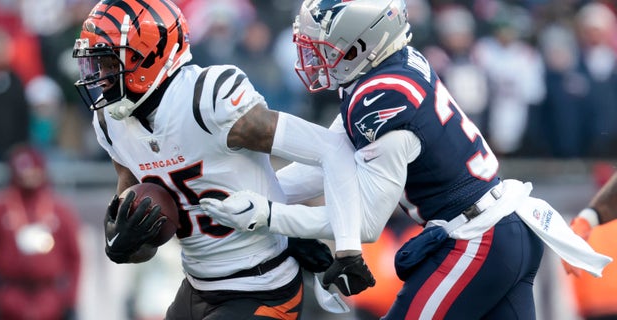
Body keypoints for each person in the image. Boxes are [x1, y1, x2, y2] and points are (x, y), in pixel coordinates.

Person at [200, 0, 612, 319]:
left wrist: (269, 215)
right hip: (503, 229)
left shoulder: (382, 99)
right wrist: (259, 192)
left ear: (359, 46)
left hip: (476, 240)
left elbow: (362, 224)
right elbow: (331, 158)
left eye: (322, 47)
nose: (313, 58)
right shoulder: (388, 67)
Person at [70, 0, 374, 319]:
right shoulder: (111, 122)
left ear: (150, 54)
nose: (101, 77)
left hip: (262, 286)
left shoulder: (207, 99)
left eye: (108, 63)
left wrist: (347, 247)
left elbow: (330, 148)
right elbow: (140, 238)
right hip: (197, 286)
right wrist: (122, 242)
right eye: (97, 65)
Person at [0, 144, 82, 320]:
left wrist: (70, 299)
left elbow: (75, 258)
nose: (29, 176)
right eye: (23, 171)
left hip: (50, 300)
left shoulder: (60, 210)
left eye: (33, 170)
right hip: (8, 299)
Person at [563, 171, 617, 319]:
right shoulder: (585, 226)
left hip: (595, 306)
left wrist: (581, 307)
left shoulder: (584, 228)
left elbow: (576, 272)